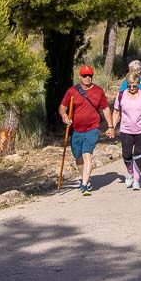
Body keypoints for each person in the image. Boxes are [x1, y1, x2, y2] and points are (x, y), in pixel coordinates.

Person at [58, 65, 114, 195]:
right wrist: (64, 116)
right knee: (78, 157)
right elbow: (62, 107)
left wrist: (110, 127)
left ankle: (84, 184)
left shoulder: (98, 91)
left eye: (90, 76)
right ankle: (85, 178)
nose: (87, 78)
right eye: (85, 76)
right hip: (75, 130)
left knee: (87, 154)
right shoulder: (72, 91)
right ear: (80, 77)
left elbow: (105, 109)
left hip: (92, 128)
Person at [113, 72, 141, 191]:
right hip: (126, 129)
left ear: (138, 84)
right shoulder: (121, 95)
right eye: (129, 86)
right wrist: (112, 127)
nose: (132, 88)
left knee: (138, 154)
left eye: (134, 86)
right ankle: (130, 172)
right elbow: (116, 112)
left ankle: (137, 180)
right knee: (126, 154)